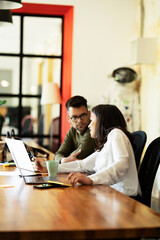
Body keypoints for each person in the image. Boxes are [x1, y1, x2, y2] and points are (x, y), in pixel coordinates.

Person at [37, 104, 141, 196]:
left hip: (123, 195)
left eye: (92, 121)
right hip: (111, 193)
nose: (89, 125)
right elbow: (82, 165)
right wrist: (49, 167)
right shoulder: (106, 143)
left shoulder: (116, 134)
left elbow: (121, 165)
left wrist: (91, 179)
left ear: (102, 122)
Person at [54, 95, 96, 163]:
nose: (79, 120)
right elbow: (58, 154)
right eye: (74, 117)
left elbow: (75, 159)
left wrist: (65, 159)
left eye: (83, 115)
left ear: (89, 114)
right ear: (68, 119)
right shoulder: (73, 130)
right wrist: (63, 160)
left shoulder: (93, 131)